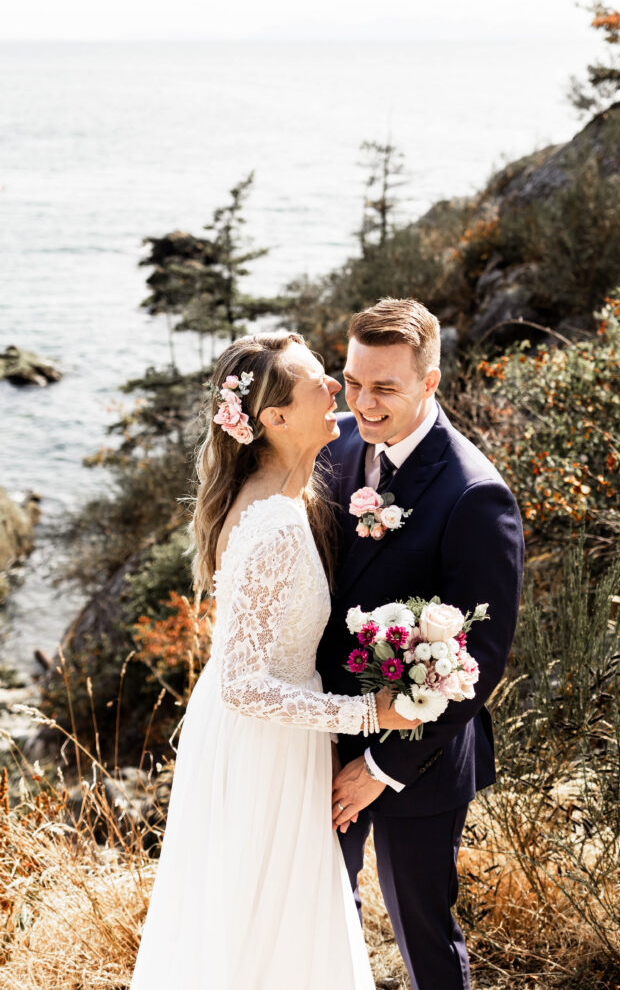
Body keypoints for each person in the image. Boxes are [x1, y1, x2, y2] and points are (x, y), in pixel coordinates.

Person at [129, 332, 417, 990]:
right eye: (316, 381)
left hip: (276, 735)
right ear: (274, 419)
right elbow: (241, 686)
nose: (334, 388)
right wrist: (366, 713)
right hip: (261, 742)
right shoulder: (273, 523)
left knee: (271, 914)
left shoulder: (287, 494)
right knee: (259, 921)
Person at [316, 298, 525, 990]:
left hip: (417, 763)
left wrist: (378, 766)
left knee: (424, 938)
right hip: (323, 736)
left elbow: (479, 661)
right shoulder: (337, 443)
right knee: (321, 914)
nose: (361, 403)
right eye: (351, 381)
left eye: (384, 387)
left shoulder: (474, 494)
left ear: (429, 381)